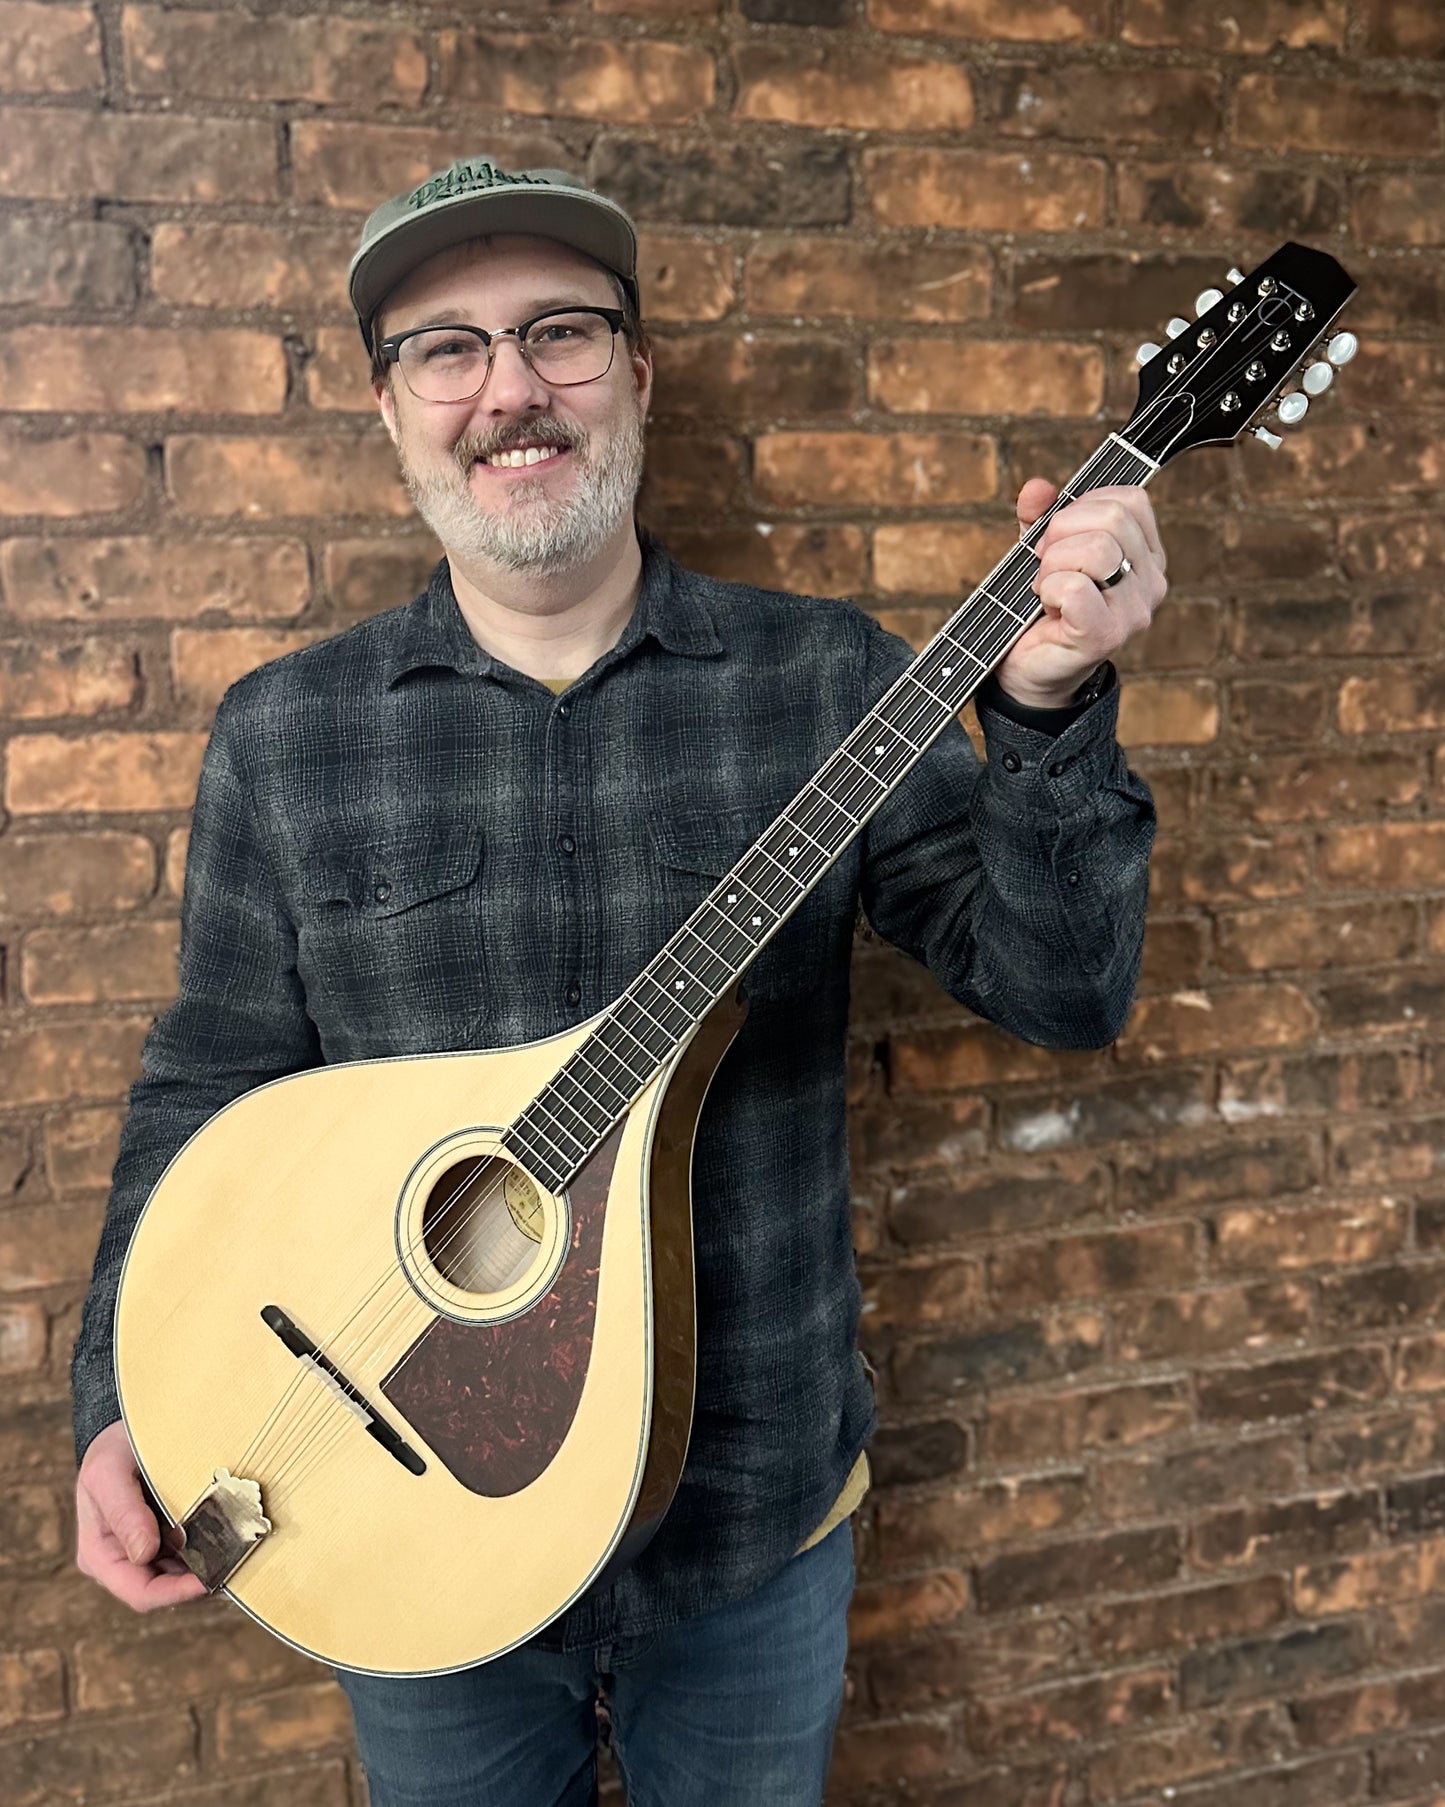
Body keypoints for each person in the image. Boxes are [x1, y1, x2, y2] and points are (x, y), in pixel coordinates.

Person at [71, 156, 1166, 1806]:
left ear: (634, 380)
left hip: (748, 1531)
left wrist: (1049, 714)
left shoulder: (828, 686)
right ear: (391, 411)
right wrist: (120, 1398)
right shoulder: (287, 738)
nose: (508, 390)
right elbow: (205, 1080)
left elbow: (1061, 989)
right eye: (447, 349)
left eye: (559, 334)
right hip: (391, 1531)